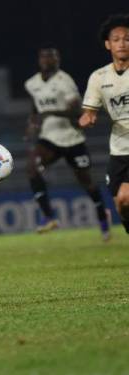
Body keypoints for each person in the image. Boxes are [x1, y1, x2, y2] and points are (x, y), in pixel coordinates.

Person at [24, 46, 111, 240]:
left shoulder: (65, 82)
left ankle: (103, 218)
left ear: (58, 60)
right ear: (39, 60)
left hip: (72, 138)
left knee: (86, 182)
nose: (48, 60)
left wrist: (51, 112)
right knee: (31, 167)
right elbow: (35, 106)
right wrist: (31, 123)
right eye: (44, 56)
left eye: (52, 57)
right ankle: (48, 217)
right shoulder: (32, 83)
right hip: (49, 138)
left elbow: (78, 112)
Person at [80, 14, 129, 235]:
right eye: (117, 39)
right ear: (108, 44)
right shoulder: (99, 77)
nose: (122, 43)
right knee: (122, 203)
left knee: (126, 196)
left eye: (127, 38)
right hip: (119, 149)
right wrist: (87, 118)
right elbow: (89, 111)